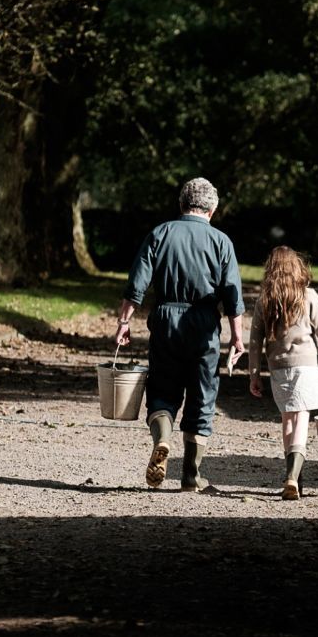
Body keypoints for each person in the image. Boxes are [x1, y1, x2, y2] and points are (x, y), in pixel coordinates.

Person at [116, 177, 245, 493]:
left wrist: (123, 322)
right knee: (203, 397)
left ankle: (162, 438)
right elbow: (232, 295)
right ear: (212, 210)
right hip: (203, 324)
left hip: (165, 320)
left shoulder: (160, 234)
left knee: (162, 389)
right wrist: (237, 338)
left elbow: (137, 284)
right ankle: (190, 476)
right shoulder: (221, 241)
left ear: (182, 204)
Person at [248, 246, 318, 500]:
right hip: (306, 367)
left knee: (287, 420)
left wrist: (254, 375)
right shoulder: (309, 296)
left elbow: (254, 342)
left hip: (278, 369)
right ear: (297, 268)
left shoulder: (264, 300)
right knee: (302, 419)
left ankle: (293, 477)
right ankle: (293, 477)